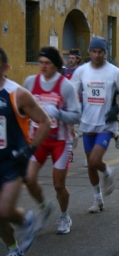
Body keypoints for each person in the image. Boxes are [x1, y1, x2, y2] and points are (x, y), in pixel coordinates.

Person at [71, 36, 119, 213]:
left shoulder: (114, 72)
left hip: (106, 123)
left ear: (105, 53)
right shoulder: (81, 71)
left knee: (95, 160)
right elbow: (70, 91)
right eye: (93, 51)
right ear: (89, 52)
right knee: (91, 165)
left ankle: (108, 172)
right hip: (87, 122)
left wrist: (118, 108)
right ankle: (97, 200)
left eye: (100, 52)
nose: (97, 55)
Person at [23, 46, 81, 234]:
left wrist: (58, 113)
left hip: (60, 141)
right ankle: (44, 207)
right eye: (40, 62)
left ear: (56, 65)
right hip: (38, 138)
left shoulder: (66, 86)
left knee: (58, 184)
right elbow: (21, 108)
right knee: (29, 179)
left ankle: (64, 216)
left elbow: (76, 116)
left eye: (47, 63)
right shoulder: (31, 82)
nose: (43, 66)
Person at [0, 47, 51, 255]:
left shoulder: (17, 94)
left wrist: (30, 148)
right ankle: (13, 249)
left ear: (5, 67)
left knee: (3, 210)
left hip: (13, 159)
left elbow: (45, 121)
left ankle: (25, 221)